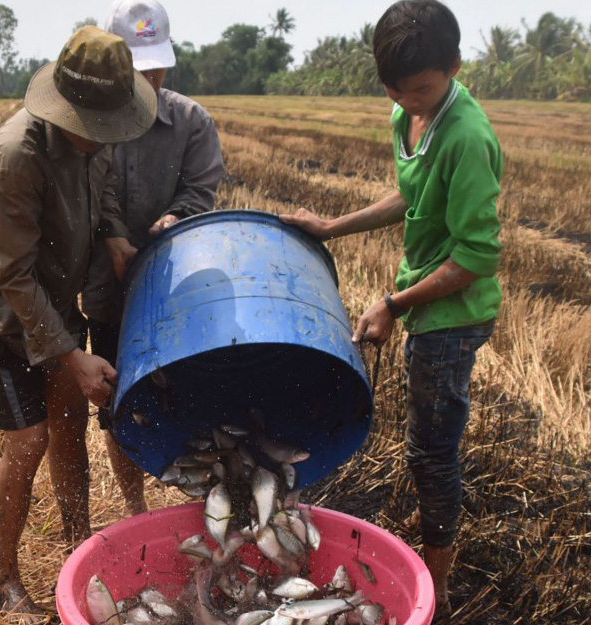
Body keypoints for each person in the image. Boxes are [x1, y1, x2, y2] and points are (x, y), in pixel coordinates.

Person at [281, 1, 502, 618]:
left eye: (423, 90)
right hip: (426, 300)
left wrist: (393, 304)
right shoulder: (410, 116)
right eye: (397, 93)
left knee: (431, 450)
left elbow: (477, 257)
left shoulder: (467, 137)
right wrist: (331, 227)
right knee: (424, 443)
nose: (410, 102)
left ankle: (437, 585)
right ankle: (435, 549)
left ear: (455, 67)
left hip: (454, 315)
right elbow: (408, 194)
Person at [0, 26, 157, 622]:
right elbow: (10, 274)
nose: (106, 137)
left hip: (54, 295)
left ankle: (78, 547)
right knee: (30, 437)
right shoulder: (17, 154)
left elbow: (104, 191)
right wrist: (72, 355)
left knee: (68, 422)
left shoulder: (99, 137)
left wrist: (115, 237)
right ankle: (4, 580)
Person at [82, 0, 225, 516]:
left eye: (156, 67)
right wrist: (116, 237)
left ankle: (204, 503)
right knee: (122, 405)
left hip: (176, 286)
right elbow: (93, 193)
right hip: (109, 285)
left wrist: (173, 222)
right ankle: (135, 510)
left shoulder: (191, 122)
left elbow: (200, 190)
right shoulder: (94, 125)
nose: (150, 79)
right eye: (138, 71)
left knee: (190, 391)